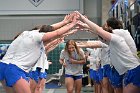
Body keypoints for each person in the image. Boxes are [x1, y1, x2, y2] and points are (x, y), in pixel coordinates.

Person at [0, 13, 78, 93]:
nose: (51, 40)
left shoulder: (29, 33)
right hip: (15, 69)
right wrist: (73, 24)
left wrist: (64, 22)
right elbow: (57, 32)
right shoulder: (37, 36)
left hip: (4, 65)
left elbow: (50, 28)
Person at [75, 11, 140, 93]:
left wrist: (84, 20)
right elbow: (99, 34)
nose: (104, 27)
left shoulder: (119, 34)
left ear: (110, 27)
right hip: (127, 70)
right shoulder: (112, 40)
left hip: (132, 69)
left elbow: (99, 31)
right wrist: (86, 27)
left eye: (106, 25)